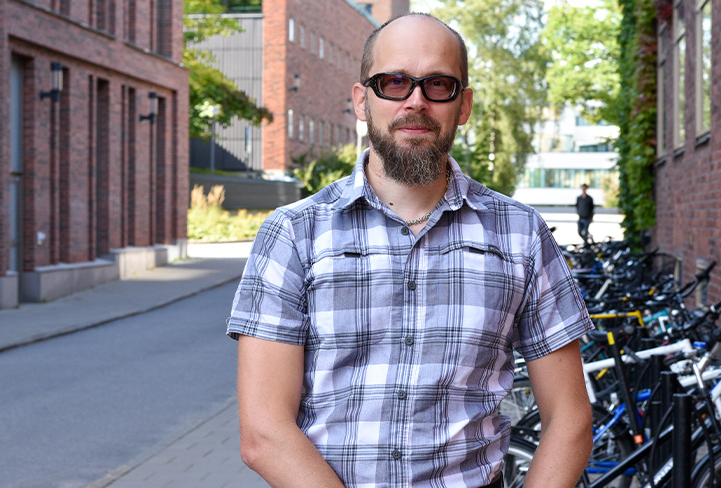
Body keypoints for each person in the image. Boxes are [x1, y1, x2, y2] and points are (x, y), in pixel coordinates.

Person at [227, 13, 593, 488]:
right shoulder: (293, 234)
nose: (415, 101)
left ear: (464, 105)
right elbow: (263, 432)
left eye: (438, 84)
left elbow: (570, 420)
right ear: (362, 100)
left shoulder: (520, 234)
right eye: (394, 82)